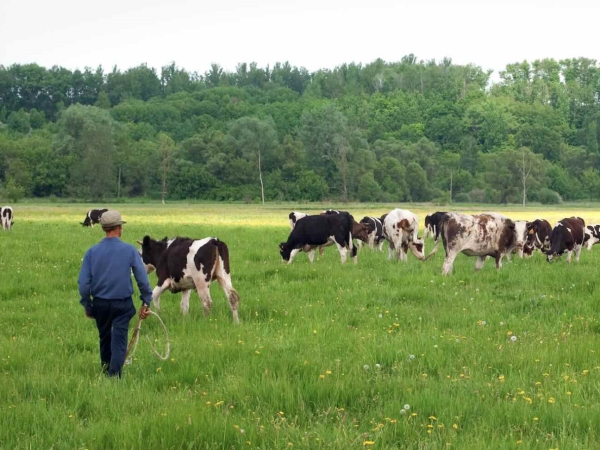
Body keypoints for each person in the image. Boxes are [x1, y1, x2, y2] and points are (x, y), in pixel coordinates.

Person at [78, 210, 153, 378]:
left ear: (103, 228)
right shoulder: (130, 250)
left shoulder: (91, 252)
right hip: (122, 304)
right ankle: (114, 377)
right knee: (119, 340)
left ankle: (106, 371)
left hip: (100, 303)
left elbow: (83, 284)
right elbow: (142, 279)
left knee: (104, 337)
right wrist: (146, 301)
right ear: (119, 228)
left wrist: (87, 305)